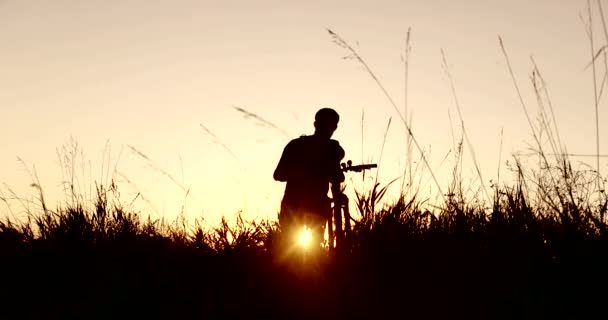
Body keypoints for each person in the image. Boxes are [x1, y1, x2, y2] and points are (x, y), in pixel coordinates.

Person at [273, 108, 345, 252]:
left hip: (309, 207)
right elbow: (279, 174)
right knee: (295, 250)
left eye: (330, 124)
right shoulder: (298, 145)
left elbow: (336, 178)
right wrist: (309, 171)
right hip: (295, 207)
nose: (328, 128)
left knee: (305, 251)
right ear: (316, 124)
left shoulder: (332, 148)